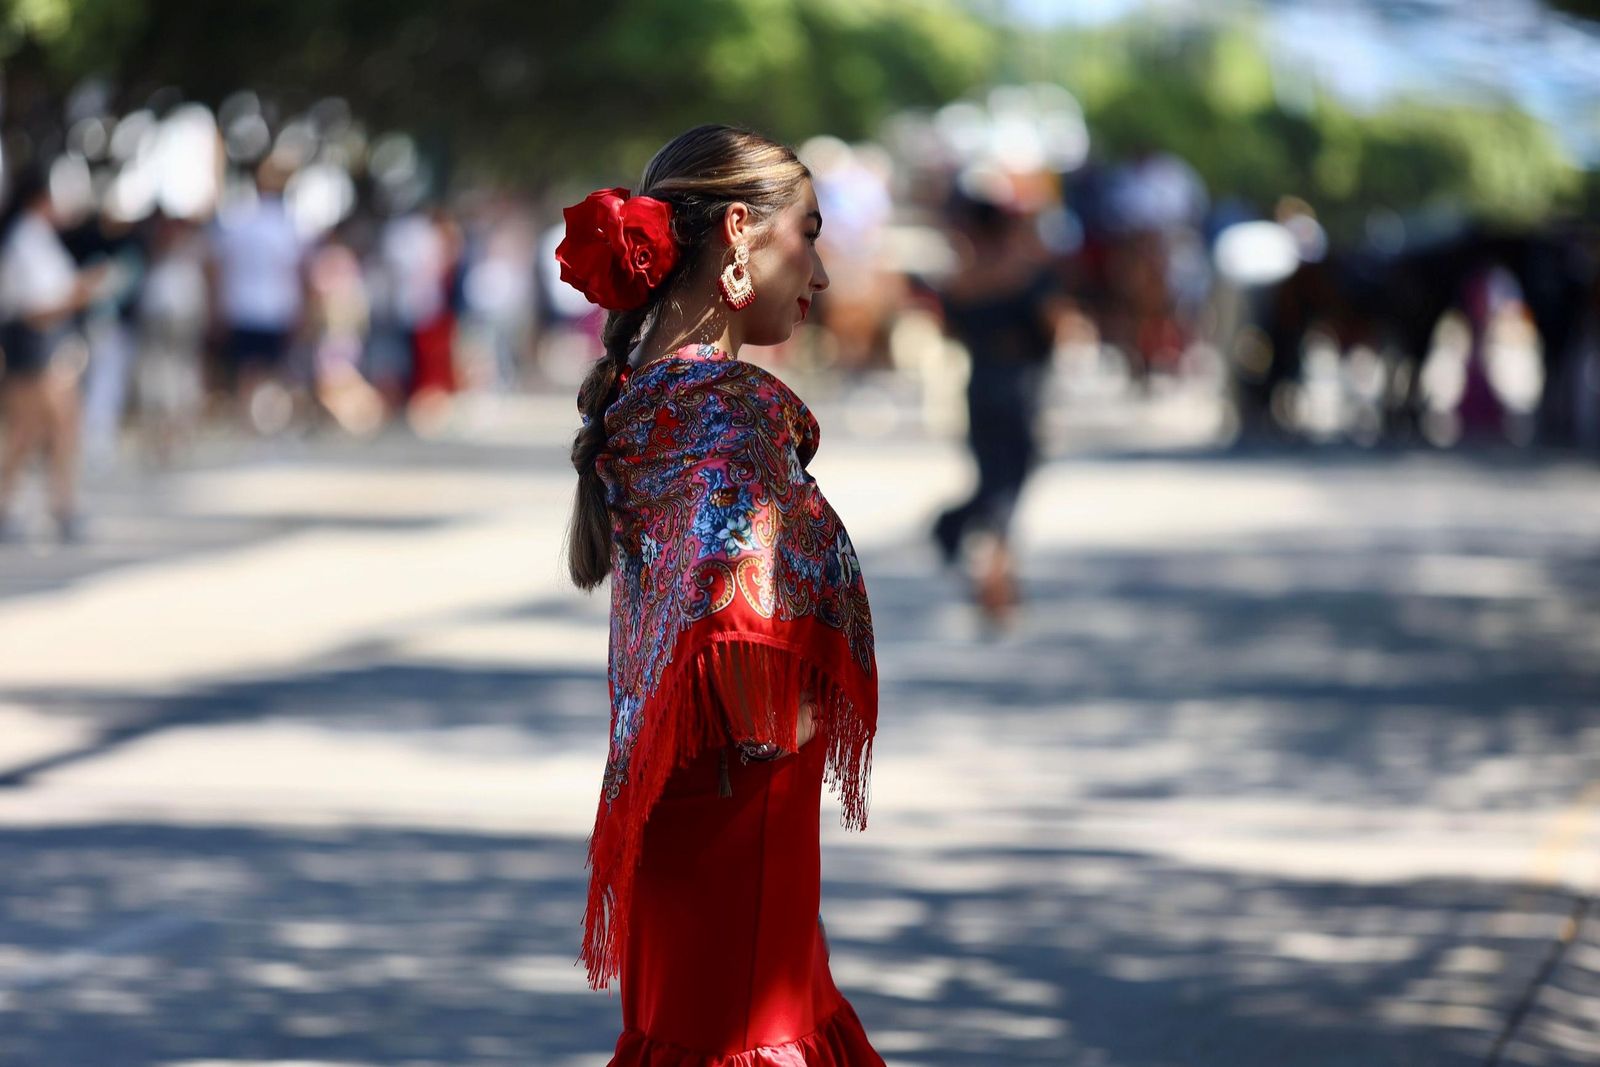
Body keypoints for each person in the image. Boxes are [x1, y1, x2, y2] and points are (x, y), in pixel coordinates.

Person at [560, 124, 884, 1066]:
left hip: (682, 807)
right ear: (740, 232)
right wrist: (782, 723)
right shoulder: (721, 405)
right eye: (810, 234)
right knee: (746, 1035)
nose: (820, 272)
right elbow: (732, 623)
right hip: (740, 810)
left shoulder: (651, 391)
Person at [930, 188, 1064, 624]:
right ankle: (996, 579)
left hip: (980, 382)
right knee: (1010, 482)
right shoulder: (1026, 273)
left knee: (993, 479)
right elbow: (1054, 326)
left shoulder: (961, 279)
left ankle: (959, 534)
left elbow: (950, 330)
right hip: (1019, 385)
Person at [0, 164, 109, 543]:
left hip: (46, 344)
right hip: (34, 345)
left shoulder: (38, 239)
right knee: (32, 431)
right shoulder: (25, 241)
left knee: (48, 430)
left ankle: (59, 505)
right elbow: (34, 308)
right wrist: (77, 295)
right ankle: (53, 507)